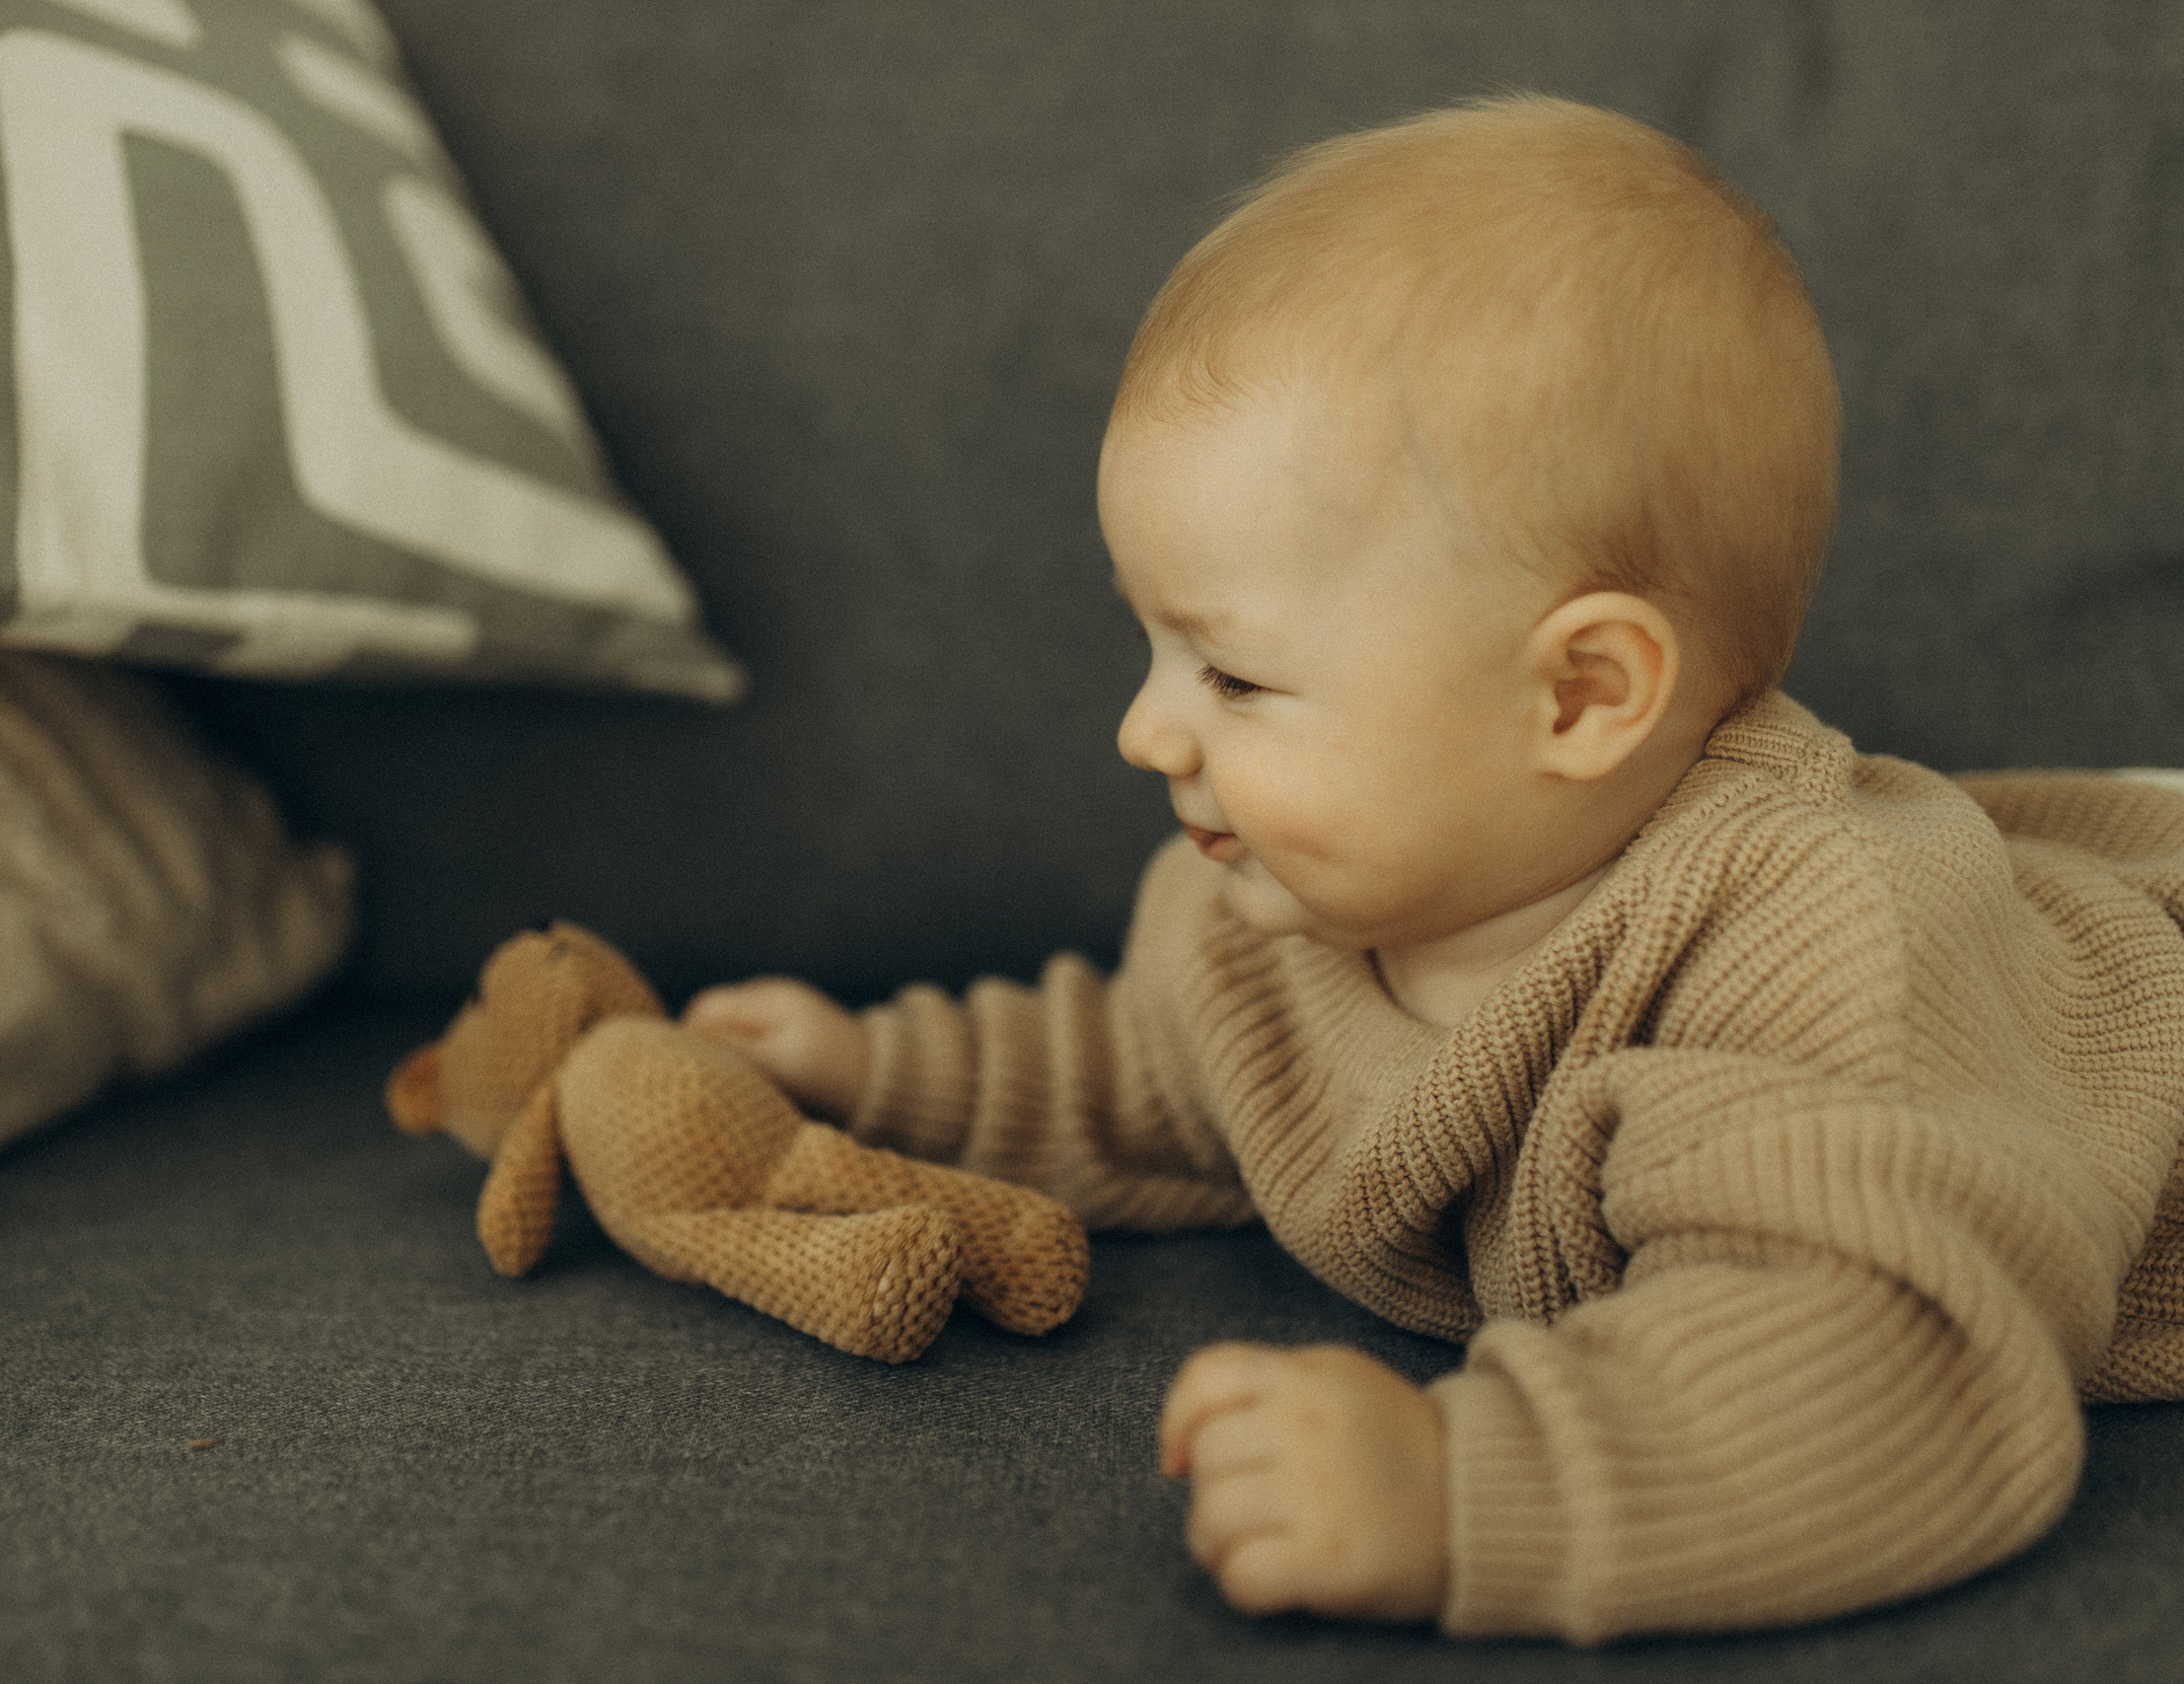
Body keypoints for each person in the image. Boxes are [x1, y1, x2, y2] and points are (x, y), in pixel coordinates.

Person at [680, 94, 2184, 1644]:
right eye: (1152, 647)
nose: (1145, 731)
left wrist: (1467, 1486)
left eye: (1235, 679)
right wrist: (870, 1069)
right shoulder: (1279, 898)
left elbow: (1889, 1368)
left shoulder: (1817, 938)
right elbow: (1153, 1067)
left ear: (1582, 697)